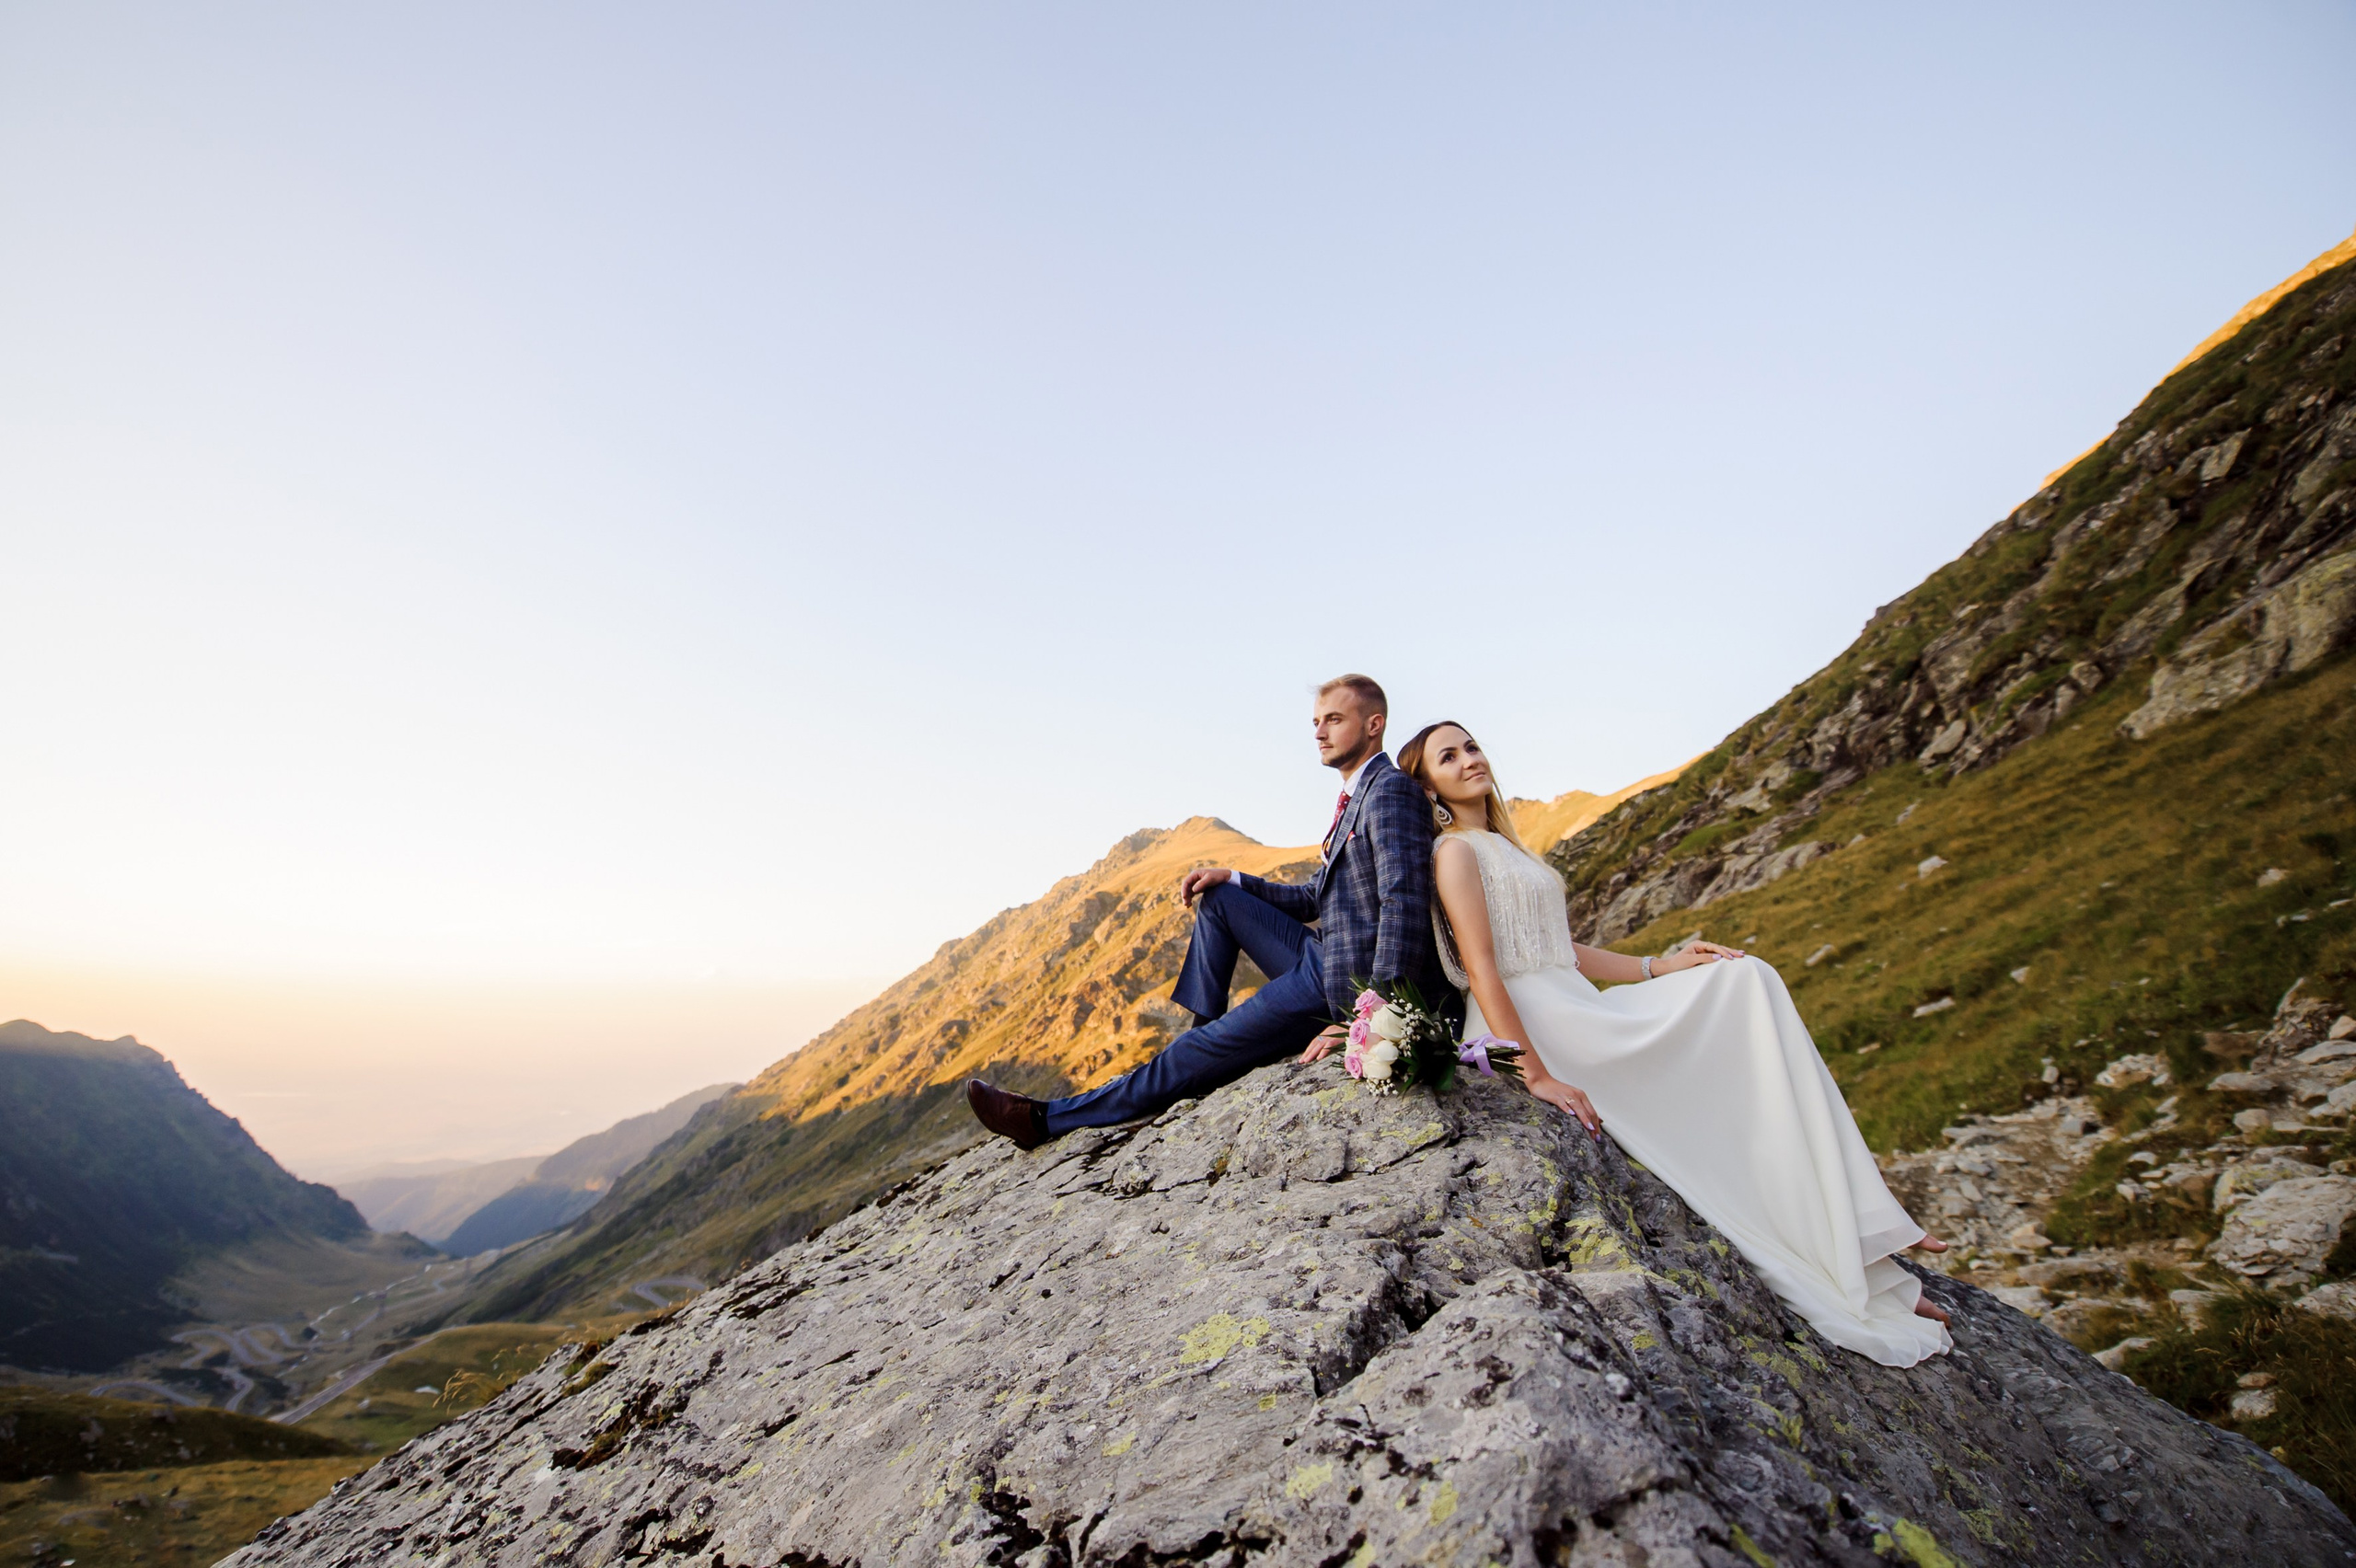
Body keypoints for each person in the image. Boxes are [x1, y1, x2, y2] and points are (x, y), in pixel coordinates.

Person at [1399, 718, 1953, 1368]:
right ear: (1427, 785)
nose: (1470, 759)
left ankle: (1864, 1243)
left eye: (1471, 746)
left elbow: (1558, 947)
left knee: (1745, 979)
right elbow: (1484, 965)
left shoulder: (1506, 846)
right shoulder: (1456, 852)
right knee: (1737, 1011)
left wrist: (1658, 965)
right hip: (1541, 1022)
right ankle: (1863, 1254)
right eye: (1449, 756)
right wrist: (1535, 1072)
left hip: (1575, 1002)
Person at [966, 674, 1447, 1147]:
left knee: (1191, 1053)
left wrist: (1370, 1018)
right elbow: (1312, 899)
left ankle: (1044, 1121)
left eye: (1334, 719)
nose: (1319, 732)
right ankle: (1206, 1039)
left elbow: (1402, 905)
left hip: (1342, 985)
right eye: (1316, 721)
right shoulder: (1355, 798)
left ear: (1373, 725)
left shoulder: (1389, 791)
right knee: (1219, 901)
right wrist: (1233, 877)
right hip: (1324, 954)